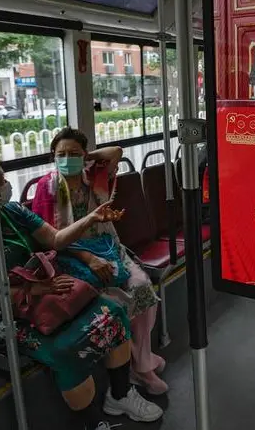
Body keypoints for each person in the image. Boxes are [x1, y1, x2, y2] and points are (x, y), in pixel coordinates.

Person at [0, 156, 163, 430]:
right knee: (66, 350)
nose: (6, 186)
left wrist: (90, 218)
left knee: (113, 312)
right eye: (2, 181)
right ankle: (93, 423)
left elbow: (54, 239)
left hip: (50, 293)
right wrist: (29, 290)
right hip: (8, 312)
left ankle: (120, 395)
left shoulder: (12, 211)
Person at [32, 128, 168, 395]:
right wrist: (88, 258)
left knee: (142, 287)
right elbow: (49, 238)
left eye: (73, 154)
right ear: (53, 157)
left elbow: (115, 152)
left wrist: (86, 157)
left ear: (84, 156)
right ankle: (131, 366)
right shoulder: (46, 187)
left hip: (107, 246)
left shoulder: (94, 176)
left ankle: (141, 364)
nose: (67, 159)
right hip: (70, 254)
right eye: (61, 155)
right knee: (115, 302)